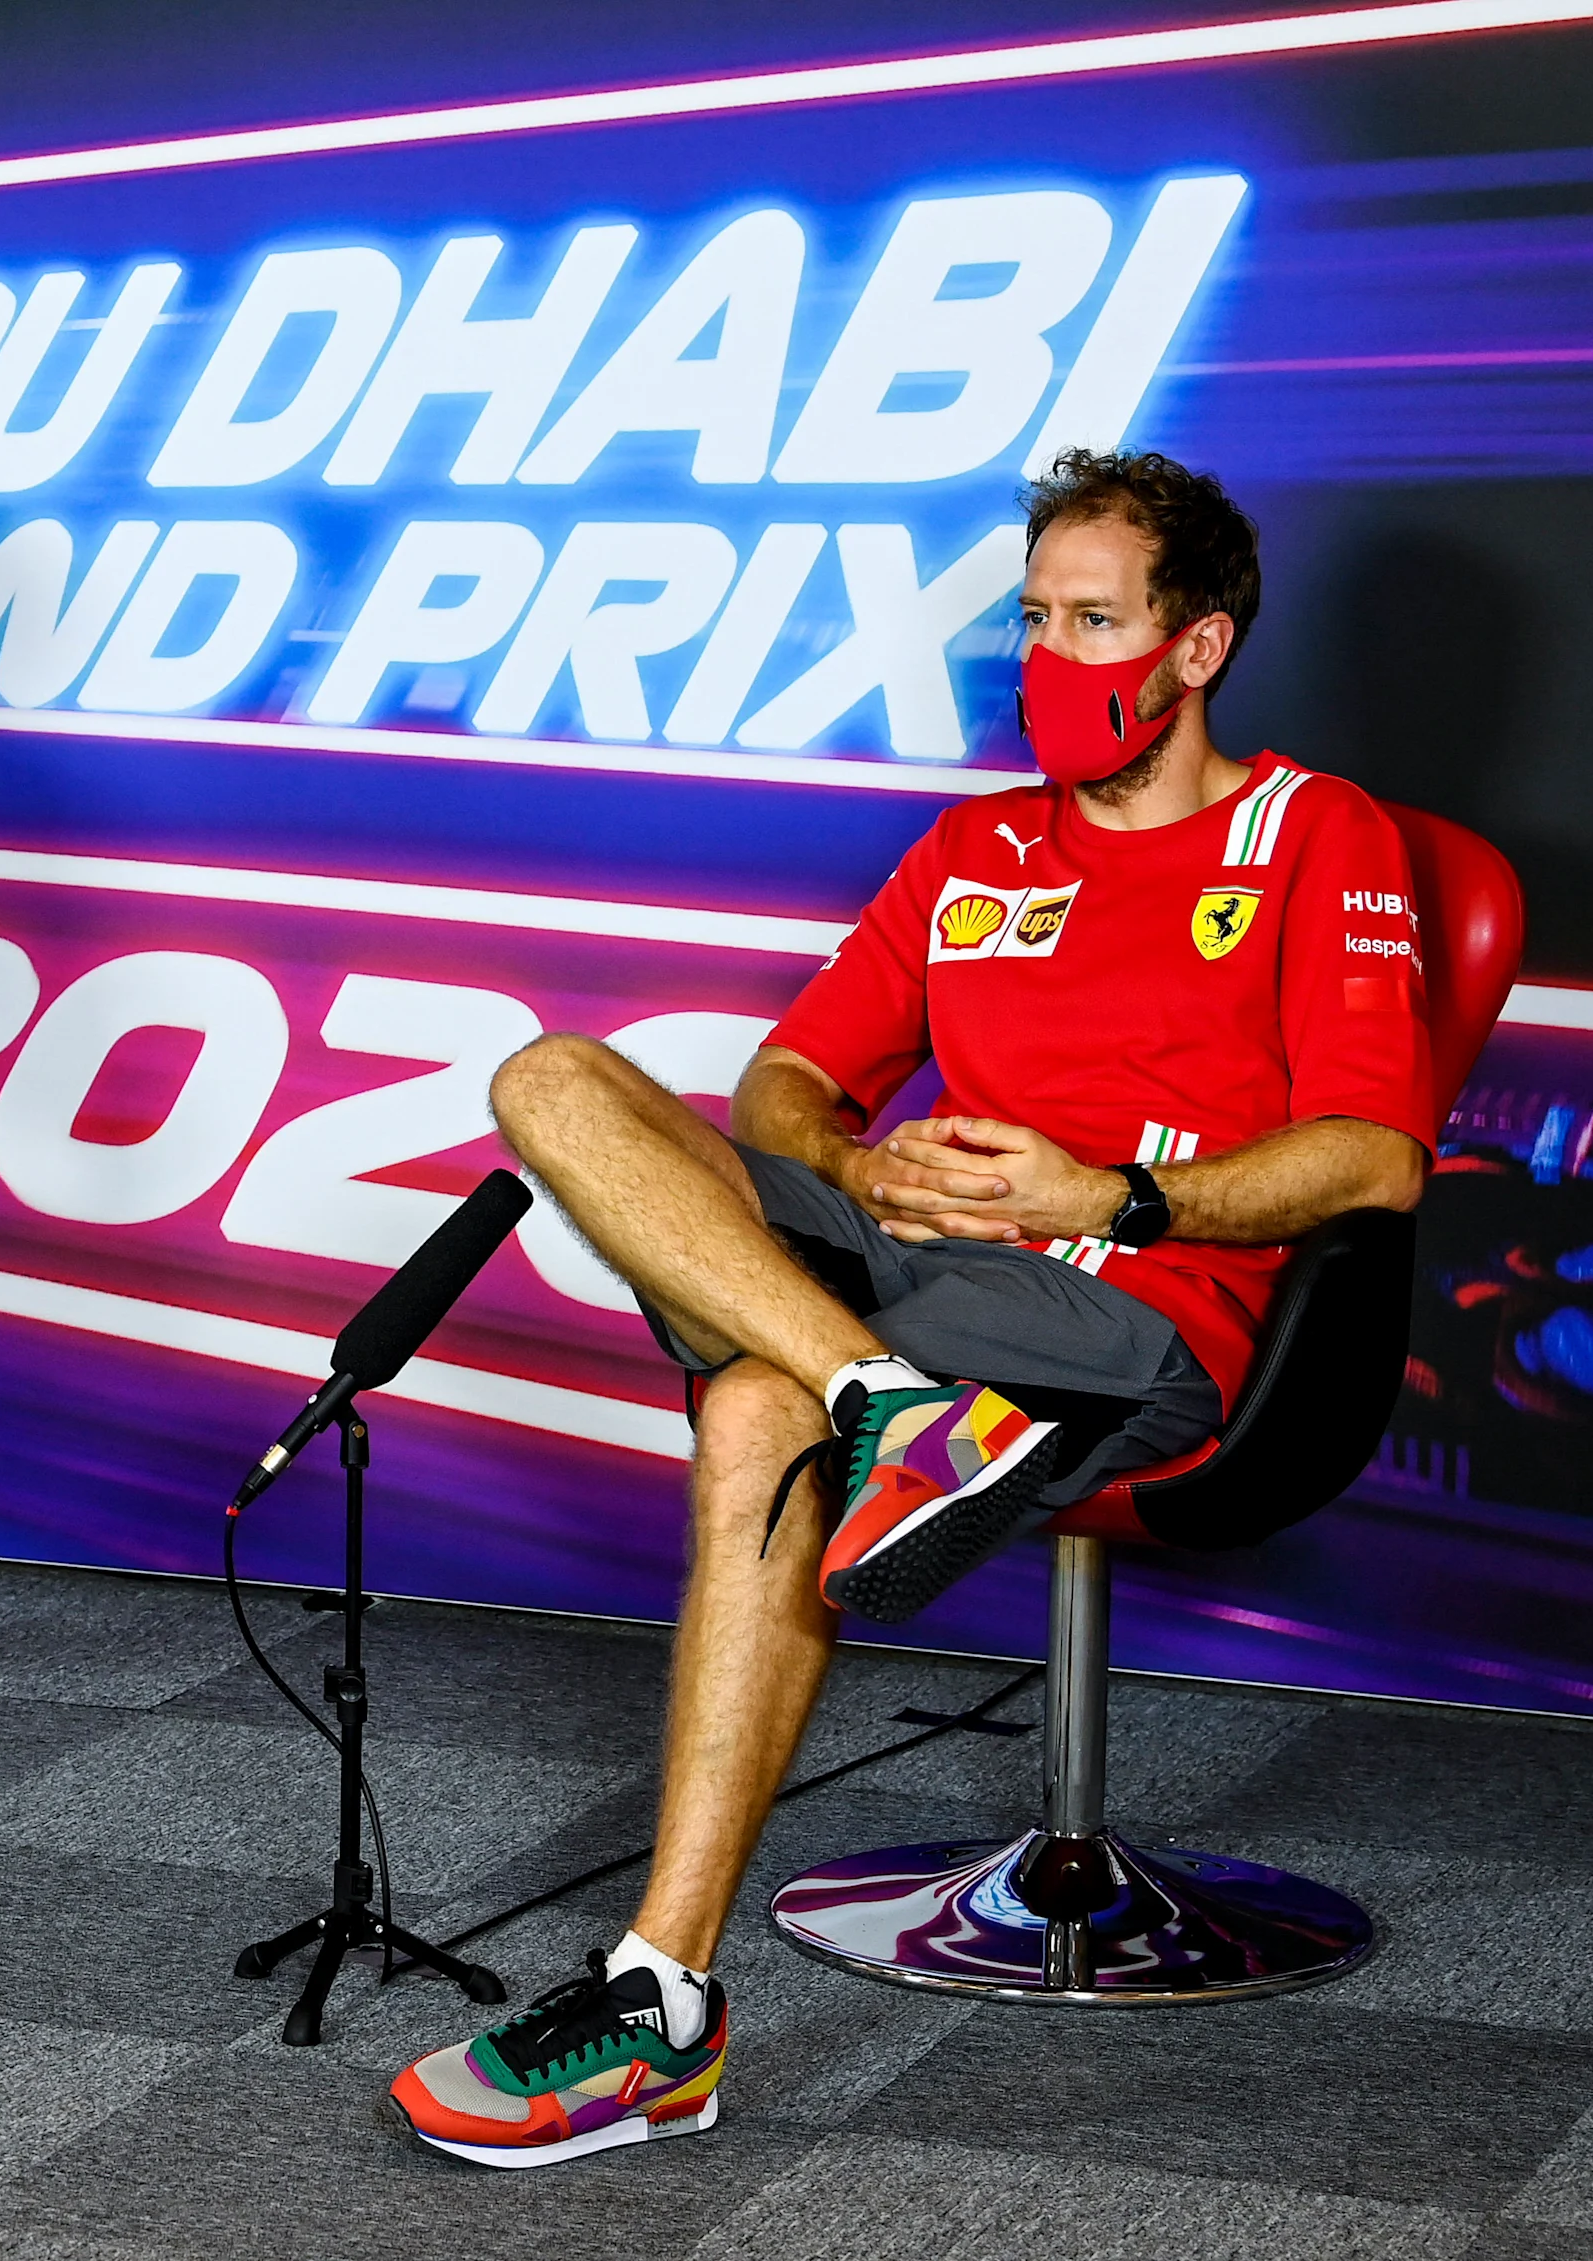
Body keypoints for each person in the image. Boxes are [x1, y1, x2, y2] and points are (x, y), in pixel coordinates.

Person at [386, 449, 1438, 2167]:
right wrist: (868, 1178)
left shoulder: (1316, 834)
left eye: (1095, 621)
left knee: (750, 1407)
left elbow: (1374, 1158)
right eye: (1034, 618)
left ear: (1198, 647)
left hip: (1140, 1306)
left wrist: (1104, 1193)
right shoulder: (975, 847)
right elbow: (789, 1086)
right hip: (929, 1281)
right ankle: (890, 1402)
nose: (1051, 656)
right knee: (556, 1078)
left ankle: (659, 2004)